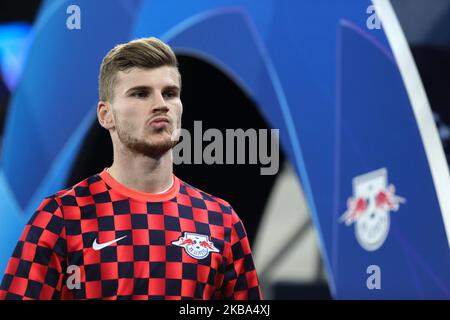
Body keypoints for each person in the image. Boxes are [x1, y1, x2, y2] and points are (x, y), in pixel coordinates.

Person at [0, 37, 261, 300]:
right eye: (140, 93)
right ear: (106, 115)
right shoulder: (62, 216)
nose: (161, 104)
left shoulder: (221, 220)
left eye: (170, 93)